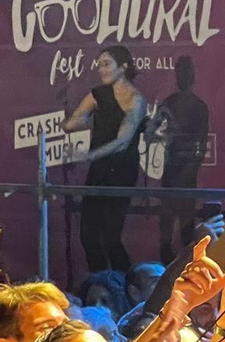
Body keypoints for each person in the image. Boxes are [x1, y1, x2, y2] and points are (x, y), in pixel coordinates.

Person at [60, 46, 149, 272]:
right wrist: (76, 118)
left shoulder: (136, 100)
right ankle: (100, 284)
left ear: (124, 66)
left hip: (121, 171)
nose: (101, 69)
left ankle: (123, 286)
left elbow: (122, 142)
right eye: (99, 64)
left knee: (110, 236)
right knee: (88, 235)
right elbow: (74, 122)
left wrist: (87, 155)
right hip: (99, 170)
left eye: (107, 64)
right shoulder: (98, 94)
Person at [151, 57, 211, 261]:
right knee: (168, 225)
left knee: (182, 224)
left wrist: (167, 135)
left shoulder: (193, 106)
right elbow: (152, 131)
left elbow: (201, 144)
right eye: (181, 72)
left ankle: (184, 269)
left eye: (186, 72)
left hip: (183, 167)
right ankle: (172, 270)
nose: (183, 77)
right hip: (177, 167)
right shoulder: (175, 103)